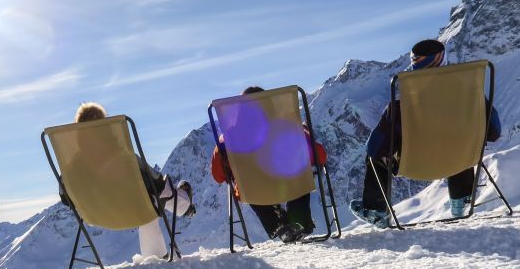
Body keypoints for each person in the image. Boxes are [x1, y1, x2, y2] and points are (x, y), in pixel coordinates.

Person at [350, 39, 502, 227]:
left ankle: (376, 210)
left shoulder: (401, 108)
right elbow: (494, 132)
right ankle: (462, 199)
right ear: (444, 61)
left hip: (415, 165)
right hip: (461, 160)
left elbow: (374, 149)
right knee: (460, 140)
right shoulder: (470, 100)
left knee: (375, 160)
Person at [62, 102, 194, 259]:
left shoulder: (71, 167)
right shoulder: (123, 157)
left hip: (95, 216)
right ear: (105, 127)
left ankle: (183, 206)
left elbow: (65, 197)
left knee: (155, 196)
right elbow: (157, 183)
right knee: (156, 196)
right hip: (134, 211)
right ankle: (183, 207)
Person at [210, 86, 328, 243]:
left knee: (251, 185)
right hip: (292, 185)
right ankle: (300, 222)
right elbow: (320, 156)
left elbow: (218, 175)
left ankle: (278, 226)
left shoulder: (228, 138)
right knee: (299, 174)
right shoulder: (289, 126)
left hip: (254, 192)